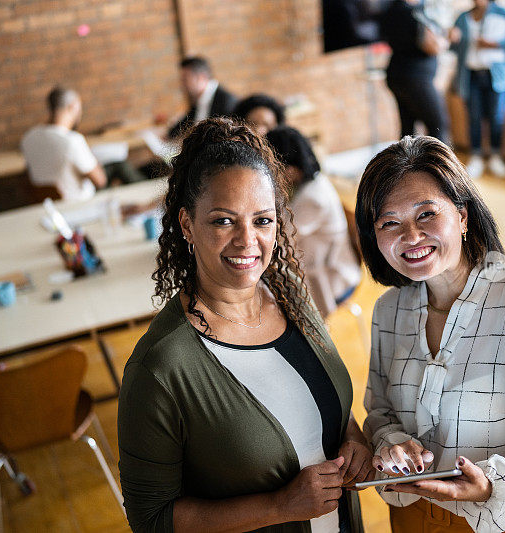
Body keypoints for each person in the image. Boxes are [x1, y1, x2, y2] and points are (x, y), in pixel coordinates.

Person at [117, 118, 372, 532]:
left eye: (262, 220)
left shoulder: (291, 294)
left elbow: (322, 401)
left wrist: (353, 436)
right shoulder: (162, 369)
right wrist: (279, 506)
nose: (247, 241)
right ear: (187, 225)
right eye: (223, 220)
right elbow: (152, 519)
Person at [355, 136, 505, 532]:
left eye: (426, 214)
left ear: (463, 217)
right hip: (409, 516)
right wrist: (391, 444)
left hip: (499, 522)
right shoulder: (388, 311)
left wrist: (490, 486)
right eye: (389, 223)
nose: (410, 237)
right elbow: (380, 411)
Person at [266, 126, 361, 318]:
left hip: (330, 277)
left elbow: (279, 239)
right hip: (314, 265)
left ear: (291, 170)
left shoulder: (312, 197)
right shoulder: (308, 184)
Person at [449, 0, 505, 179]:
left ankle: (495, 156)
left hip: (495, 76)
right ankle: (476, 156)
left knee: (496, 117)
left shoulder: (502, 13)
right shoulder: (463, 18)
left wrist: (494, 44)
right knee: (474, 117)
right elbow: (453, 47)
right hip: (471, 75)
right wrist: (452, 38)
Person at [379, 0, 451, 145]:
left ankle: (404, 167)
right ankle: (438, 168)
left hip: (397, 75)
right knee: (438, 125)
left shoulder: (391, 9)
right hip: (415, 78)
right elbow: (432, 46)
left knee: (407, 131)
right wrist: (447, 40)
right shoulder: (412, 13)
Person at [21, 86, 107, 201]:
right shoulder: (73, 141)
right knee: (118, 167)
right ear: (73, 106)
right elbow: (100, 181)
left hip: (46, 206)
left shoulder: (28, 137)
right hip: (78, 205)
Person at [166, 57, 238, 140]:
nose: (182, 84)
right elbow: (183, 124)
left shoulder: (226, 102)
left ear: (201, 77)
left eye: (185, 79)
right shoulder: (199, 98)